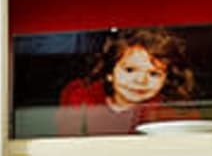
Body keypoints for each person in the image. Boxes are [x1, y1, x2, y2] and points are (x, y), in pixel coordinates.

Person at [54, 26, 196, 134]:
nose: (141, 81)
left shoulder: (171, 112)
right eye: (129, 70)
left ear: (167, 79)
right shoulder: (81, 100)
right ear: (109, 72)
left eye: (154, 74)